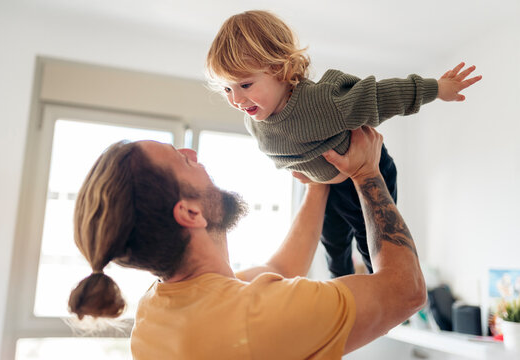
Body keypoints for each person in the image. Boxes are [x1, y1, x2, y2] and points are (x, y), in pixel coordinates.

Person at [68, 126, 426, 359]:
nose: (191, 154)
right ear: (190, 214)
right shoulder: (255, 318)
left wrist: (319, 185)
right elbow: (405, 290)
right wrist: (366, 172)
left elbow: (279, 271)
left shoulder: (156, 313)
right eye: (181, 159)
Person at [206, 10, 481, 277]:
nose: (236, 100)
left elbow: (380, 96)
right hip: (328, 185)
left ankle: (384, 292)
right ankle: (345, 294)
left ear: (279, 69)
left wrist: (436, 88)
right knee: (333, 247)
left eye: (245, 85)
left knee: (370, 243)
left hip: (364, 173)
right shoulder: (254, 121)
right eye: (227, 88)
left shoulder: (321, 103)